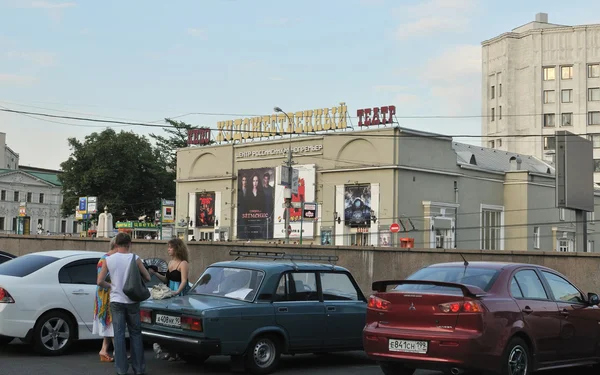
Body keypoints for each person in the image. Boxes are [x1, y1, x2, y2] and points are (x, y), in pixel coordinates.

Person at [97, 233, 151, 375]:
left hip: (116, 302)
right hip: (132, 301)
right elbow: (147, 277)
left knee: (119, 335)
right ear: (129, 243)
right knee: (135, 334)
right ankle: (139, 369)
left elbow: (99, 281)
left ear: (116, 244)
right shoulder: (135, 258)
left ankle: (121, 369)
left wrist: (112, 286)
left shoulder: (109, 260)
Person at [149, 238, 190, 361]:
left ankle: (176, 352)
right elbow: (167, 280)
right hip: (170, 292)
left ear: (177, 249)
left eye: (170, 247)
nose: (168, 249)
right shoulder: (171, 262)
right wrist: (155, 274)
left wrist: (177, 292)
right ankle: (171, 351)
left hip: (179, 293)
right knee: (169, 322)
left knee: (177, 322)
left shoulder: (183, 263)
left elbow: (184, 281)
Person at [93, 237, 118, 362]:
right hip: (106, 296)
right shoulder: (105, 259)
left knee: (109, 324)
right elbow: (101, 280)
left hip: (106, 295)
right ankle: (118, 352)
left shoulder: (106, 258)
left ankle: (104, 350)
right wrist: (113, 286)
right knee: (111, 323)